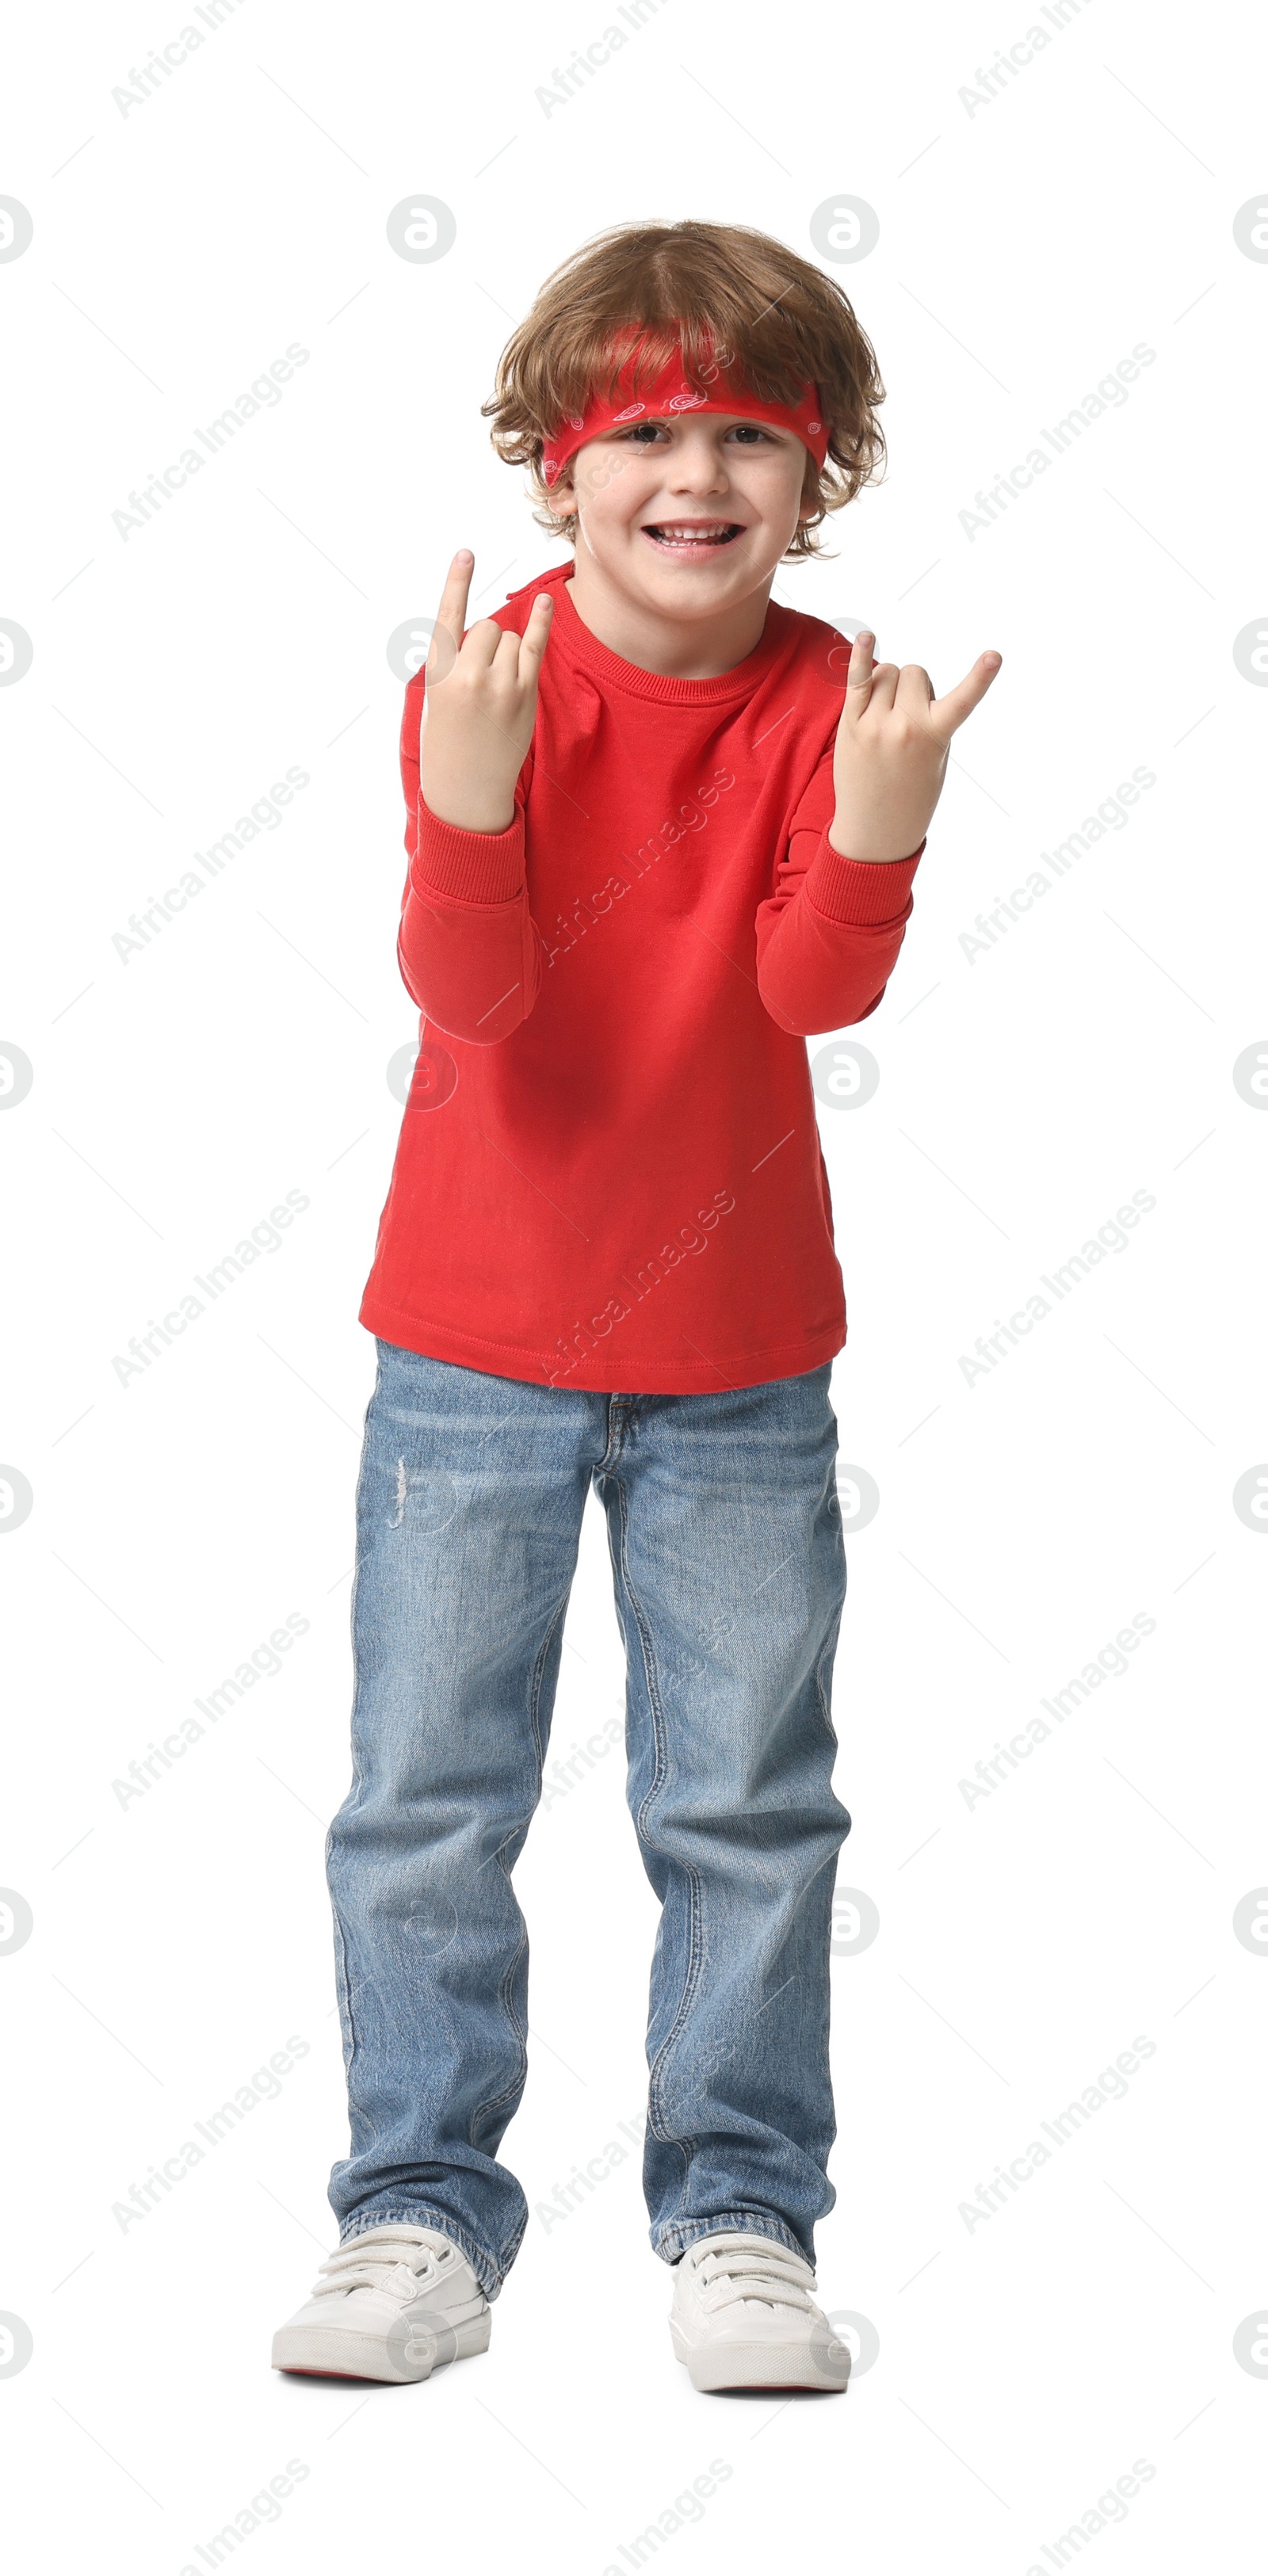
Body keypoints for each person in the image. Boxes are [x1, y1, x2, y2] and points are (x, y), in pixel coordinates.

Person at [271, 217, 1000, 2394]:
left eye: (750, 435)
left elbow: (804, 991)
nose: (698, 473)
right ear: (560, 468)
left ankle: (744, 2214)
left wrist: (879, 824)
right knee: (427, 1793)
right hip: (472, 1349)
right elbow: (480, 998)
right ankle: (415, 2207)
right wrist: (465, 803)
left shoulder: (820, 700)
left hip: (739, 1359)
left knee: (752, 1804)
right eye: (647, 430)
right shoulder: (482, 679)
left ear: (820, 468)